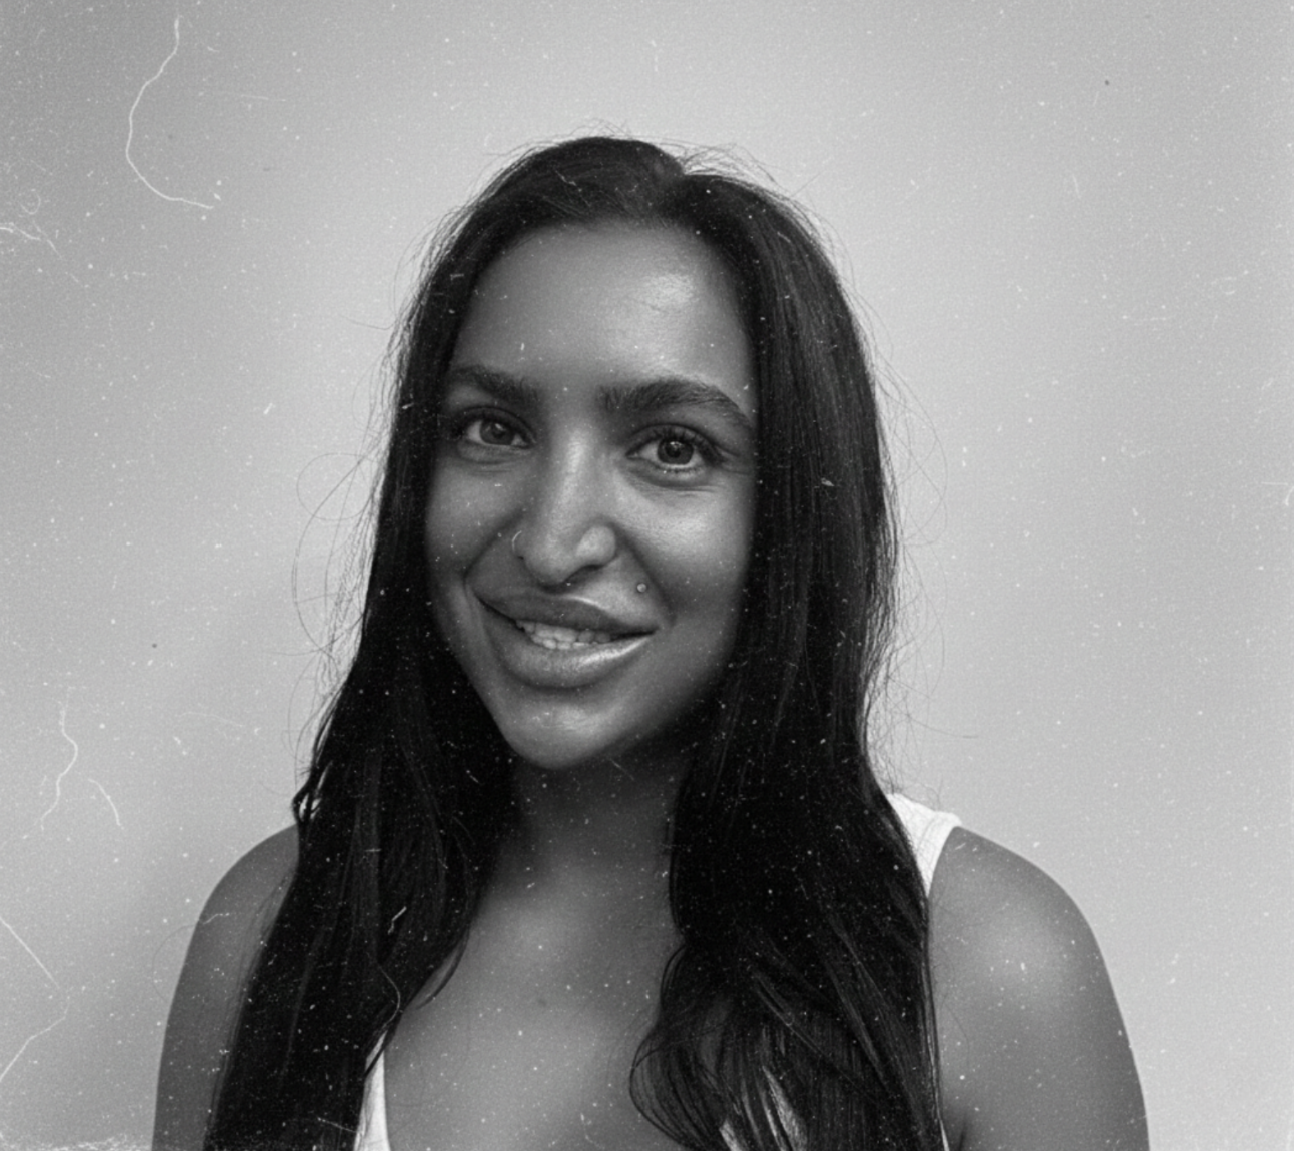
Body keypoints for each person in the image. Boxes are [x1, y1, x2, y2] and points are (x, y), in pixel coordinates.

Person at [154, 137, 1148, 1151]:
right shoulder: (269, 929)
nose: (550, 540)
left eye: (672, 447)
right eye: (492, 428)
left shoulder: (987, 968)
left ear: (790, 515)